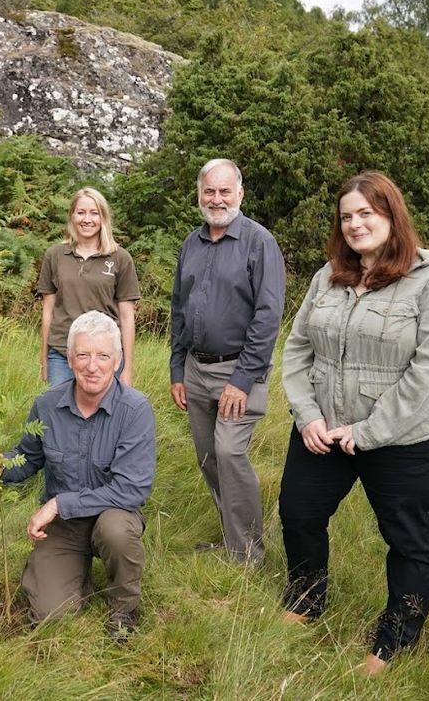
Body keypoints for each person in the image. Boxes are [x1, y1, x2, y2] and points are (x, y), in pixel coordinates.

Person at [279, 171, 429, 676]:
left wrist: (367, 433)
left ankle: (394, 641)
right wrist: (308, 416)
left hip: (404, 441)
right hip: (325, 432)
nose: (355, 224)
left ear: (391, 217)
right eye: (347, 216)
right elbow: (297, 350)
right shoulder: (328, 276)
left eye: (367, 213)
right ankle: (305, 600)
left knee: (409, 541)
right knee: (298, 514)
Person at [0, 311, 156, 643]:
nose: (92, 365)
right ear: (70, 360)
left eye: (102, 356)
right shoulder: (47, 404)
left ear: (117, 361)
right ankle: (76, 576)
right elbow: (29, 457)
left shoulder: (136, 410)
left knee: (115, 530)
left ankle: (123, 608)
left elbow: (130, 490)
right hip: (66, 528)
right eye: (82, 355)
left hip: (112, 516)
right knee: (47, 614)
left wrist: (59, 503)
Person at [169, 158, 285, 565]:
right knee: (208, 457)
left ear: (240, 194)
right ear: (200, 195)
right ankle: (232, 539)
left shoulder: (259, 243)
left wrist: (243, 378)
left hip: (240, 372)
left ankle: (249, 554)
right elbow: (179, 310)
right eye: (209, 191)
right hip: (195, 370)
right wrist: (176, 369)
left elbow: (268, 316)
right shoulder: (191, 244)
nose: (216, 199)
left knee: (230, 454)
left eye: (224, 191)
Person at [37, 188, 141, 388]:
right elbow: (48, 312)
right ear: (72, 216)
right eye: (81, 212)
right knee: (59, 414)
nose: (87, 219)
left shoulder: (120, 257)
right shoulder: (55, 255)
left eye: (94, 213)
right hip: (61, 353)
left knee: (103, 414)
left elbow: (127, 317)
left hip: (105, 355)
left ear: (103, 218)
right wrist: (44, 360)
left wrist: (127, 368)